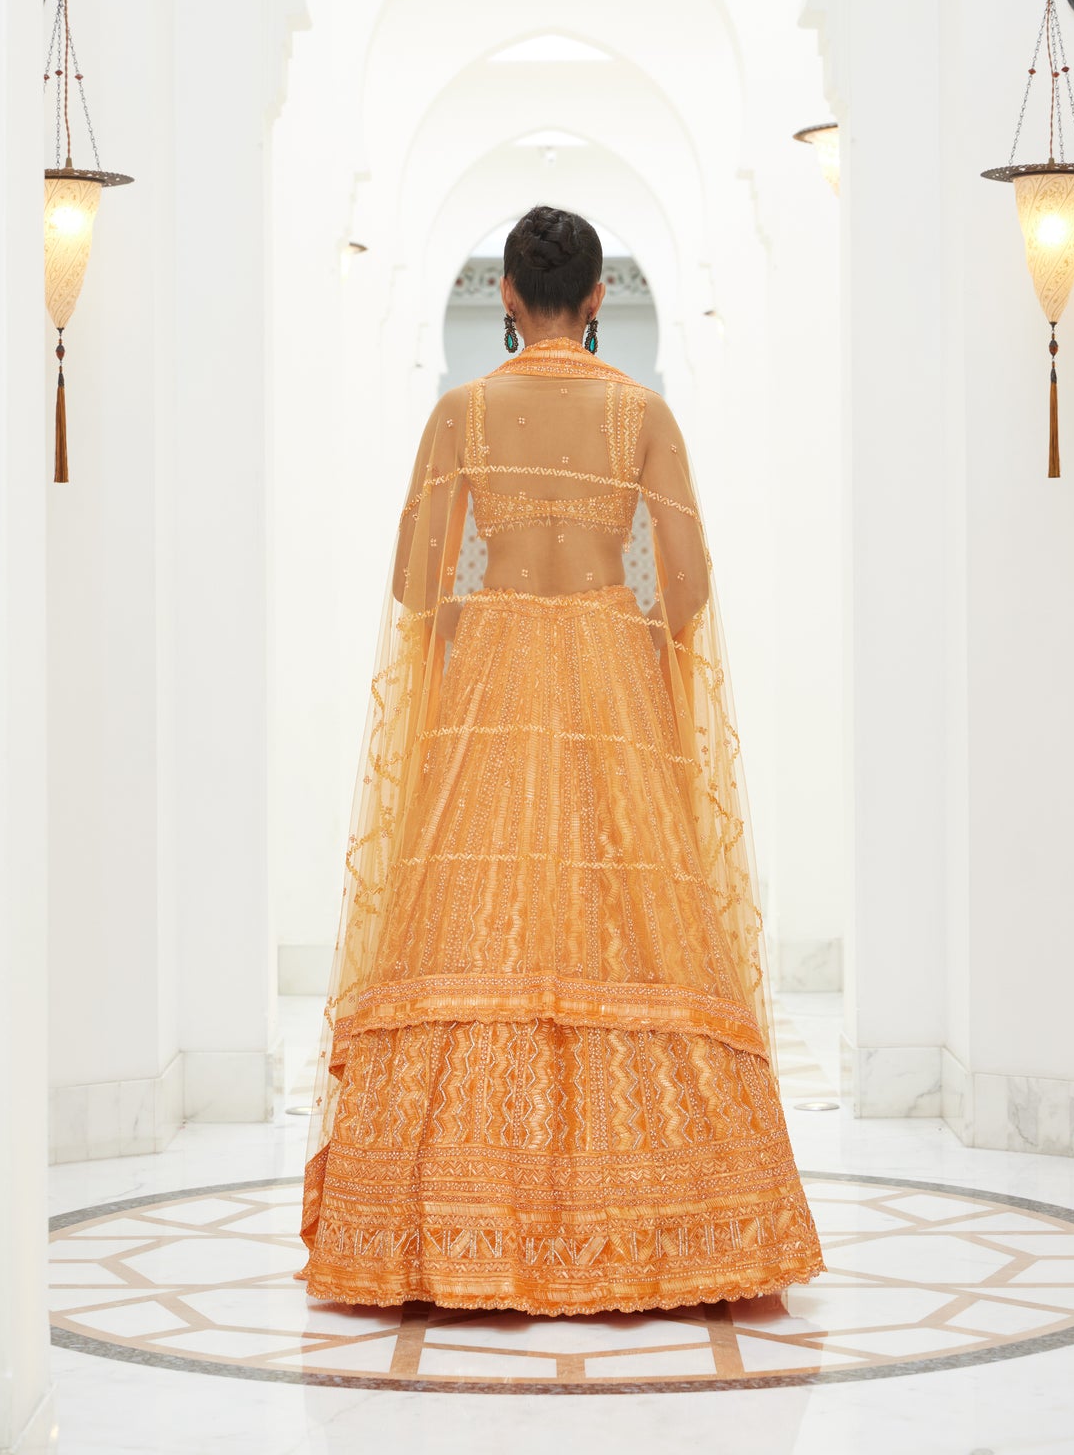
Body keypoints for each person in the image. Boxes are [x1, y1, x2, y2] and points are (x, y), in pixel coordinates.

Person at [298, 204, 825, 1314]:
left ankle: (433, 1231)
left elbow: (413, 582)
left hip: (488, 669)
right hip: (606, 670)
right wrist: (624, 638)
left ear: (504, 296)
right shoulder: (642, 415)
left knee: (467, 918)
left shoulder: (461, 413)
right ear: (596, 300)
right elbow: (685, 585)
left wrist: (479, 635)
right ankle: (680, 1225)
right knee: (630, 917)